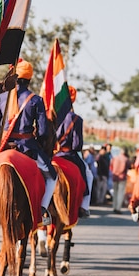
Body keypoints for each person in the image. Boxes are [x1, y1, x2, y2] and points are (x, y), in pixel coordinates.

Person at [0, 59, 58, 225]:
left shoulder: (1, 96)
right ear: (29, 79)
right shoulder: (35, 100)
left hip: (3, 144)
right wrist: (38, 141)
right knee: (52, 176)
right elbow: (42, 131)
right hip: (27, 146)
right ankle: (42, 210)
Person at [53, 85, 92, 218]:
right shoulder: (76, 119)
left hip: (52, 155)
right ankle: (84, 207)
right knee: (88, 175)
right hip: (68, 155)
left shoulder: (52, 115)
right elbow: (77, 145)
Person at [110, 147, 130, 214]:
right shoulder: (126, 159)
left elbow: (111, 166)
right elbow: (128, 167)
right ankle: (118, 207)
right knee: (120, 193)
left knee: (115, 192)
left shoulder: (115, 158)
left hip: (115, 176)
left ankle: (114, 206)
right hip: (122, 177)